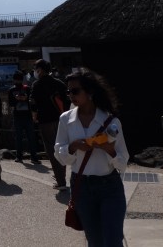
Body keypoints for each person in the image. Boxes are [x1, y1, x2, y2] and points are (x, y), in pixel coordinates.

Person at [54, 68, 129, 247]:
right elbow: (59, 155)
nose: (71, 95)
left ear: (90, 92)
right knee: (94, 241)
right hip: (82, 186)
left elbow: (123, 161)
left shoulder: (110, 122)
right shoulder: (65, 119)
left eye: (75, 91)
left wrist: (110, 150)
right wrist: (73, 146)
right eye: (68, 91)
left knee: (113, 241)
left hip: (109, 186)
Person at [31, 58, 69, 189]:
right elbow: (67, 100)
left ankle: (61, 181)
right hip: (61, 119)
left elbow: (33, 103)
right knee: (62, 147)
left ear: (40, 70)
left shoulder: (37, 85)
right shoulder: (59, 83)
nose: (35, 72)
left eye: (36, 69)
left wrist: (34, 115)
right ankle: (62, 175)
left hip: (45, 120)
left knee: (51, 149)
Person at [7, 70, 40, 164]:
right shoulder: (12, 90)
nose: (17, 82)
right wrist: (17, 99)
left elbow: (32, 101)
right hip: (19, 116)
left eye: (18, 80)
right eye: (16, 80)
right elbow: (11, 103)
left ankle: (32, 157)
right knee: (20, 137)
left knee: (29, 137)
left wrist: (25, 99)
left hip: (26, 116)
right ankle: (20, 156)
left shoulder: (27, 89)